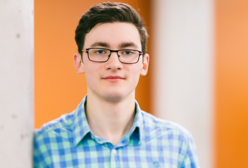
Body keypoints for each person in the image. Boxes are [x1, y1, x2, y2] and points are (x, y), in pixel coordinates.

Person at [33, 2, 200, 168]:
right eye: (100, 51)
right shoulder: (44, 145)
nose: (114, 64)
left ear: (144, 64)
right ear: (79, 63)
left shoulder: (177, 144)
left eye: (127, 52)